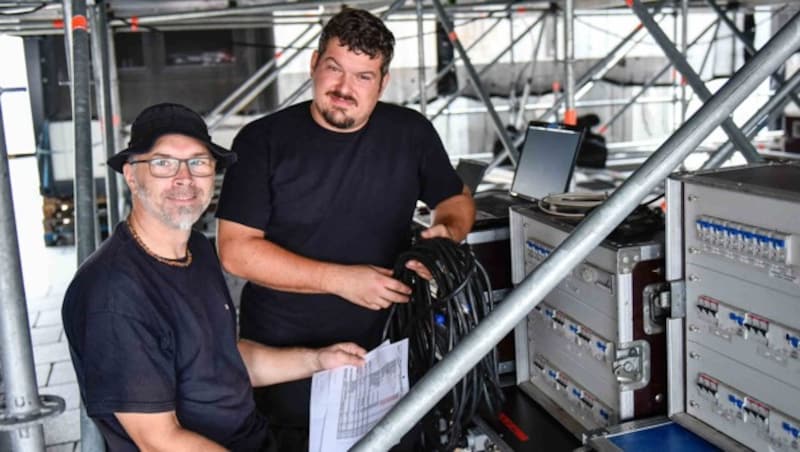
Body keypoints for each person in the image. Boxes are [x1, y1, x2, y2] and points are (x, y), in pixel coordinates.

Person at [215, 7, 476, 449]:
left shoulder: (409, 132)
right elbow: (236, 251)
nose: (343, 89)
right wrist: (341, 280)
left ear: (383, 82)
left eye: (363, 77)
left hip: (388, 351)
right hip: (287, 363)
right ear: (314, 65)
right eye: (334, 69)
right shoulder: (262, 141)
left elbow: (455, 199)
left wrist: (446, 233)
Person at [62, 103, 367, 451]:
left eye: (198, 162)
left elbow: (224, 359)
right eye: (163, 163)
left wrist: (318, 361)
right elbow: (160, 442)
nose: (184, 178)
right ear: (131, 175)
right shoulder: (114, 295)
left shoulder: (196, 249)